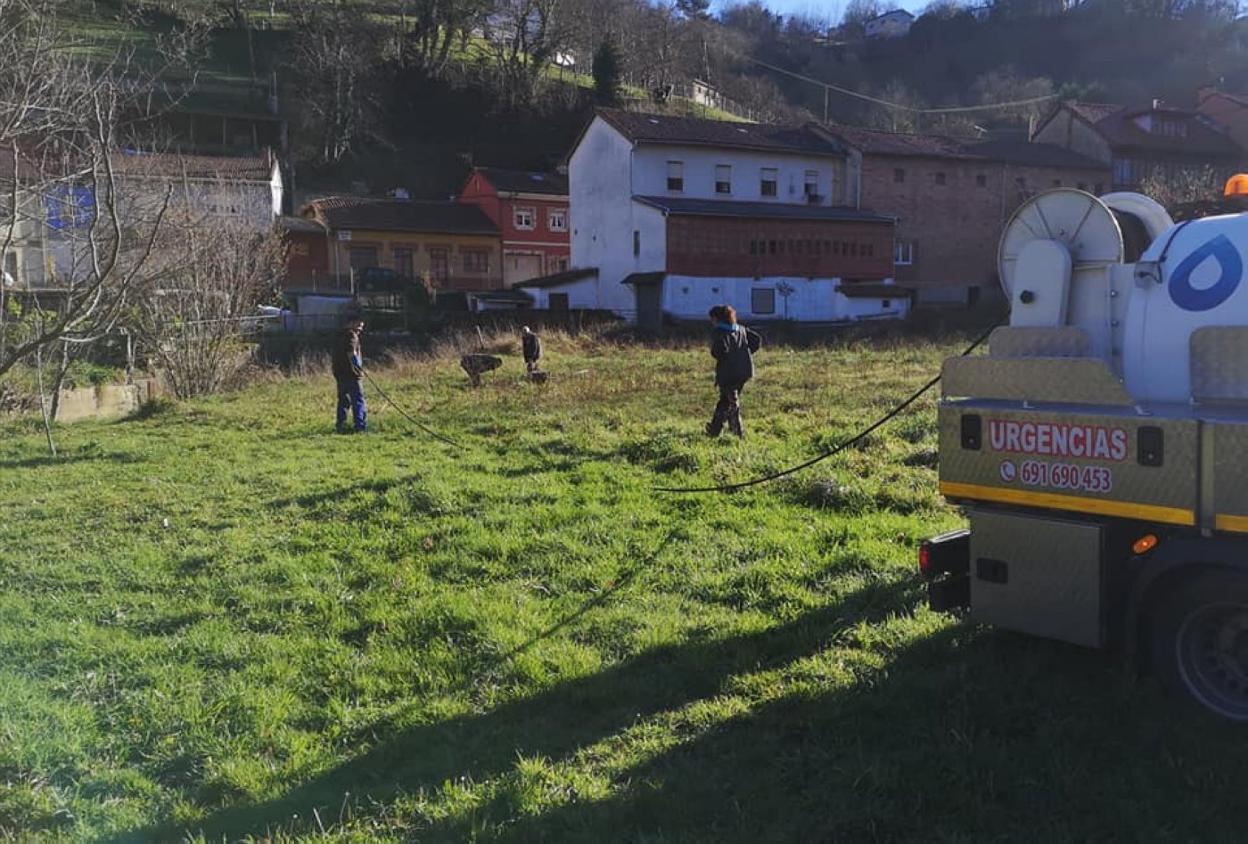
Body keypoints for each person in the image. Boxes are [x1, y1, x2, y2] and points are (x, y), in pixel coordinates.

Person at [705, 304, 759, 439]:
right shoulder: (741, 329)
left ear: (717, 318)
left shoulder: (719, 332)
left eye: (712, 319)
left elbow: (718, 351)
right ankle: (715, 430)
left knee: (729, 402)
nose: (711, 322)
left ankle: (736, 432)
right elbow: (756, 340)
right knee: (727, 401)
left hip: (729, 373)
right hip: (744, 370)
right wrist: (743, 353)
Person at [332, 315, 367, 433]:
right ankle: (360, 426)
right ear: (351, 323)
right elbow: (351, 353)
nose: (360, 329)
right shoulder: (352, 336)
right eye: (358, 325)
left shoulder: (338, 336)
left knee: (343, 401)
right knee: (358, 400)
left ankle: (341, 425)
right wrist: (358, 368)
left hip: (339, 374)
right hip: (352, 375)